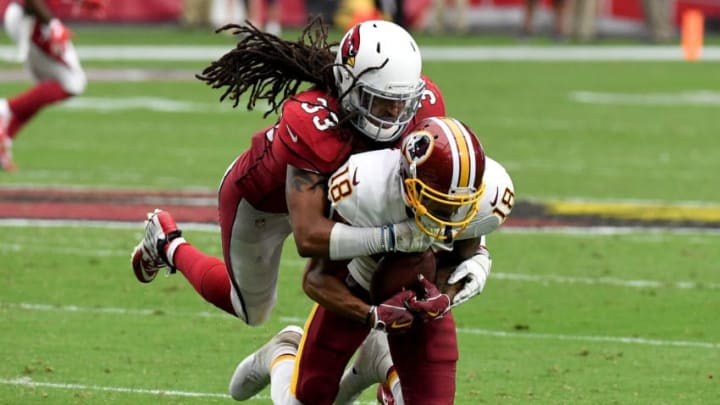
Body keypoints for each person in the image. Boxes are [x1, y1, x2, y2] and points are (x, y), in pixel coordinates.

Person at [130, 19, 446, 330]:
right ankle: (167, 245)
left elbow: (451, 177)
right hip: (263, 203)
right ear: (348, 85)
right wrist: (392, 237)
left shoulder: (423, 106)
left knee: (379, 263)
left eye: (400, 102)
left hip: (336, 196)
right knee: (252, 311)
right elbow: (308, 235)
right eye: (379, 102)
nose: (393, 113)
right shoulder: (312, 121)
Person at [229, 117, 516, 404]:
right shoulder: (365, 188)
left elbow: (465, 254)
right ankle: (285, 351)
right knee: (304, 400)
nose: (446, 215)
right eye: (436, 202)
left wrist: (445, 296)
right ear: (408, 180)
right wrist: (373, 313)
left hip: (421, 291)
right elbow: (316, 279)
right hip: (356, 282)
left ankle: (379, 365)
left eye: (457, 207)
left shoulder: (486, 198)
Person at [0, 0, 96, 171]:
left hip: (30, 19)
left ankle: (5, 138)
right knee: (74, 82)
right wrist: (53, 25)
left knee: (42, 92)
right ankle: (4, 109)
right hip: (31, 21)